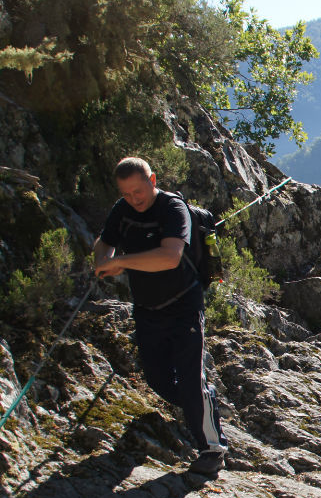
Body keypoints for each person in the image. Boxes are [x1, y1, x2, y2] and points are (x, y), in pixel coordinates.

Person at [93, 156, 227, 475]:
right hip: (147, 308)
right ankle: (203, 406)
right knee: (156, 378)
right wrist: (103, 261)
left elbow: (169, 257)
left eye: (138, 191)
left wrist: (121, 262)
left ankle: (212, 449)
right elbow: (104, 241)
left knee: (192, 379)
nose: (133, 199)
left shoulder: (172, 208)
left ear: (152, 180)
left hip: (183, 305)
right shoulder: (122, 210)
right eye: (126, 193)